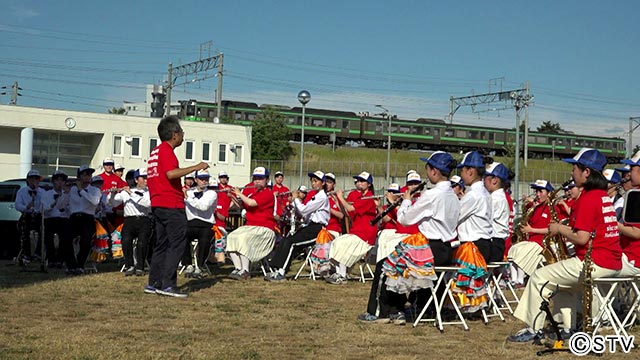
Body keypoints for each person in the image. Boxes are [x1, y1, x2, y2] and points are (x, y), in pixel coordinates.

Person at [509, 148, 621, 342]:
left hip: (593, 262)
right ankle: (565, 327)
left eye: (575, 168)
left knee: (539, 277)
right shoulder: (602, 196)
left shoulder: (588, 197)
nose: (571, 172)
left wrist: (559, 229)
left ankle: (532, 329)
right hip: (609, 261)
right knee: (565, 285)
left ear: (586, 172)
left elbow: (581, 238)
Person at [360, 152, 460, 323]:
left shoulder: (432, 194)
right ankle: (423, 308)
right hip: (447, 250)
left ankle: (384, 311)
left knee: (386, 266)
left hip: (429, 249)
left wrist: (406, 200)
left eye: (427, 169)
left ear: (434, 171)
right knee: (398, 262)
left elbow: (405, 219)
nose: (426, 173)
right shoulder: (453, 195)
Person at [145, 115, 209, 298]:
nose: (182, 136)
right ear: (174, 134)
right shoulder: (167, 151)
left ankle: (153, 283)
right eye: (181, 132)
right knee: (177, 244)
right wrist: (196, 167)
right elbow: (171, 174)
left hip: (158, 203)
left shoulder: (155, 153)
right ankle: (168, 285)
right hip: (171, 205)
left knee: (161, 244)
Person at [265, 171, 329, 281]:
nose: (313, 184)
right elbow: (304, 212)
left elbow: (303, 210)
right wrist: (294, 202)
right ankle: (275, 267)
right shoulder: (315, 196)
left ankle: (281, 272)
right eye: (312, 181)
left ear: (323, 183)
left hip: (317, 229)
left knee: (292, 243)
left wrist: (295, 199)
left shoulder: (322, 197)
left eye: (316, 181)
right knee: (286, 240)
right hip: (310, 226)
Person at [326, 171, 377, 285]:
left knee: (343, 245)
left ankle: (342, 275)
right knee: (337, 243)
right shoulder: (361, 197)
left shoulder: (369, 197)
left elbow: (350, 208)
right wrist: (337, 202)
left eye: (362, 181)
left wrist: (340, 197)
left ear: (369, 184)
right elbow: (347, 214)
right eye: (358, 181)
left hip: (365, 234)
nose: (359, 183)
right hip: (357, 232)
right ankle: (340, 273)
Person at [226, 166, 277, 280]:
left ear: (267, 180)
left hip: (264, 228)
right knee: (231, 237)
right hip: (250, 226)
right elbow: (241, 205)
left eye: (261, 178)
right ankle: (238, 268)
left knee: (244, 238)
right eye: (255, 178)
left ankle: (245, 270)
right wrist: (232, 196)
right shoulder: (252, 193)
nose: (257, 181)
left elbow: (252, 203)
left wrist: (239, 193)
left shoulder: (268, 193)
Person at [108, 168, 151, 276]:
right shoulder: (125, 192)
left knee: (142, 243)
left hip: (143, 219)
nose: (146, 181)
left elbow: (147, 204)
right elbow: (112, 203)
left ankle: (140, 266)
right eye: (143, 178)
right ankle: (129, 265)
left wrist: (131, 193)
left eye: (147, 178)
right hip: (129, 220)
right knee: (126, 241)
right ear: (136, 180)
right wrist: (112, 194)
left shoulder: (148, 192)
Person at [457, 151, 494, 262]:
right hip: (484, 243)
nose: (461, 175)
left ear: (470, 171)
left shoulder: (473, 195)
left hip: (473, 247)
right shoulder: (485, 193)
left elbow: (454, 216)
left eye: (462, 171)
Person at [67, 165, 102, 275]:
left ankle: (80, 265)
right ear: (79, 177)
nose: (88, 177)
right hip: (73, 218)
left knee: (86, 240)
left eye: (89, 174)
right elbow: (60, 206)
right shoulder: (72, 190)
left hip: (87, 218)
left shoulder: (94, 190)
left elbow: (95, 202)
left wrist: (81, 190)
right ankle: (71, 265)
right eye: (85, 174)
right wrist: (64, 193)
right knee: (65, 239)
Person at [182, 169, 217, 278]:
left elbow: (204, 207)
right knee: (181, 236)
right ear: (196, 180)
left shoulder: (212, 193)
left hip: (206, 223)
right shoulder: (188, 192)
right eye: (201, 179)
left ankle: (200, 266)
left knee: (205, 240)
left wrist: (188, 199)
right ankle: (188, 264)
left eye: (206, 179)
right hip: (191, 222)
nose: (204, 181)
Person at [483, 162, 514, 262]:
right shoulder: (498, 197)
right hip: (497, 243)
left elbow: (485, 220)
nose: (483, 181)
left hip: (494, 244)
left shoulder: (496, 199)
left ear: (494, 180)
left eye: (486, 178)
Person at [617, 150, 640, 277]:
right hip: (630, 256)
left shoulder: (637, 195)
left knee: (591, 266)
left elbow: (637, 233)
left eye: (632, 168)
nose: (629, 173)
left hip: (634, 258)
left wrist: (613, 224)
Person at [41, 170, 70, 268]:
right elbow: (44, 209)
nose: (60, 183)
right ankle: (51, 259)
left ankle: (60, 260)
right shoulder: (47, 194)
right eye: (57, 180)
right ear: (53, 181)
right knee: (48, 238)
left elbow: (70, 209)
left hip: (63, 219)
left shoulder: (67, 194)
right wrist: (54, 203)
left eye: (62, 180)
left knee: (64, 237)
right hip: (50, 219)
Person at [14, 169, 45, 263]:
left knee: (43, 231)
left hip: (38, 215)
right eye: (32, 179)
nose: (34, 181)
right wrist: (26, 207)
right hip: (26, 215)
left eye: (36, 179)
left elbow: (45, 205)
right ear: (28, 180)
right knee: (24, 232)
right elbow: (17, 205)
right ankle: (26, 253)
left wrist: (38, 210)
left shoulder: (42, 192)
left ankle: (38, 253)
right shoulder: (22, 191)